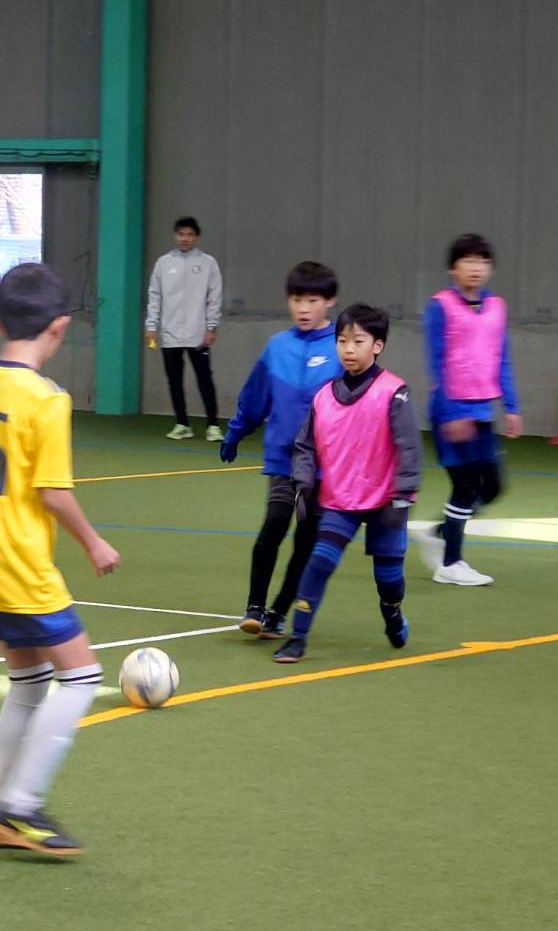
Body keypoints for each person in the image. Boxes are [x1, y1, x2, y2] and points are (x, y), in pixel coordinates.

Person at [0, 262, 120, 858]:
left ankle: (1, 811)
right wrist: (94, 542)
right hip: (18, 561)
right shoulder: (47, 399)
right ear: (60, 328)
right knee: (82, 676)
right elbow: (53, 492)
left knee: (29, 679)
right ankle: (20, 805)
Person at [273, 304, 420, 664]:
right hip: (340, 500)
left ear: (378, 346)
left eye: (358, 341)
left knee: (389, 579)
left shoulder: (394, 392)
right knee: (318, 564)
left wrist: (403, 494)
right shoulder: (324, 396)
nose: (348, 349)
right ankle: (298, 637)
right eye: (342, 341)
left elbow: (409, 447)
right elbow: (305, 446)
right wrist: (303, 485)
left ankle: (392, 611)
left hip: (386, 501)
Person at [219, 261, 340, 640]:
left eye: (312, 300)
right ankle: (254, 607)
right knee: (272, 527)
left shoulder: (342, 348)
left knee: (306, 542)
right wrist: (236, 432)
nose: (303, 308)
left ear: (330, 301)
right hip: (284, 461)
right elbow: (256, 397)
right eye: (296, 300)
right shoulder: (278, 347)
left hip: (325, 467)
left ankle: (278, 613)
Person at [415, 234, 521, 587]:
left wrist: (511, 406)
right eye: (468, 261)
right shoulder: (440, 306)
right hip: (451, 411)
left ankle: (440, 532)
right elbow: (437, 364)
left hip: (483, 411)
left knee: (492, 487)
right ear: (453, 268)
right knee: (465, 484)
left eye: (482, 261)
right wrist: (451, 413)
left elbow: (502, 358)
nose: (476, 268)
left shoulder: (497, 307)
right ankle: (451, 563)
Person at [144, 217, 223, 441]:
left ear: (196, 237)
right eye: (181, 234)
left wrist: (211, 327)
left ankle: (213, 425)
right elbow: (154, 296)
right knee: (174, 380)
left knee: (205, 379)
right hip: (170, 333)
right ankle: (182, 424)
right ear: (175, 235)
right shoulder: (163, 263)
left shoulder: (208, 263)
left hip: (199, 334)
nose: (185, 238)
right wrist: (151, 326)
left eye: (189, 234)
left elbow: (214, 297)